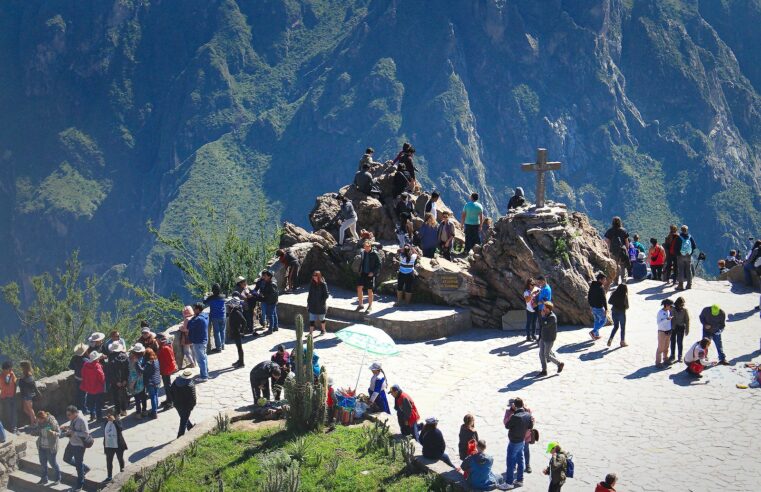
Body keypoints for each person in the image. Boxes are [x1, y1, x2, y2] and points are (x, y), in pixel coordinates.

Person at [504, 397, 533, 488]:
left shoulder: (515, 416)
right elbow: (530, 426)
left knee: (510, 461)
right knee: (520, 460)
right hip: (522, 440)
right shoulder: (527, 414)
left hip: (514, 442)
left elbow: (507, 426)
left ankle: (509, 483)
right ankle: (520, 480)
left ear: (515, 406)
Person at [62, 405, 91, 492]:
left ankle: (80, 483)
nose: (68, 417)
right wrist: (66, 428)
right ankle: (84, 468)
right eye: (67, 415)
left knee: (78, 465)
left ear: (75, 413)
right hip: (72, 443)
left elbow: (86, 434)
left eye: (69, 415)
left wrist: (74, 432)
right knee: (66, 458)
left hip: (79, 445)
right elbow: (73, 427)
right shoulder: (73, 419)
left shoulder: (82, 420)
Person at [33, 410, 61, 486]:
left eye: (40, 419)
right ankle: (44, 479)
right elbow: (38, 431)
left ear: (44, 418)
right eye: (38, 419)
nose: (39, 421)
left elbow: (59, 433)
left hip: (50, 447)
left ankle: (58, 478)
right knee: (43, 464)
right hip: (42, 446)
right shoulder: (39, 423)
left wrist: (53, 432)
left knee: (53, 464)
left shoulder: (52, 422)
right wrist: (35, 430)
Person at [539, 302, 564, 376]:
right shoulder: (546, 315)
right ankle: (544, 370)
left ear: (548, 309)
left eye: (544, 308)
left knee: (546, 355)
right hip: (543, 337)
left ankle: (559, 364)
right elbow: (541, 324)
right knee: (541, 354)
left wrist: (542, 316)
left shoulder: (552, 317)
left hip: (549, 339)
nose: (543, 309)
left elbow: (544, 324)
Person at [171, 368, 197, 438]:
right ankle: (180, 436)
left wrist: (174, 401)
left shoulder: (176, 381)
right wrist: (191, 407)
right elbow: (193, 398)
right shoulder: (190, 385)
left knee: (183, 417)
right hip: (186, 406)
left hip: (177, 404)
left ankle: (190, 427)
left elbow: (171, 392)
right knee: (183, 421)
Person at [356, 241, 381, 313]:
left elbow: (379, 265)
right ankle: (361, 304)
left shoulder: (375, 253)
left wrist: (373, 272)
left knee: (370, 290)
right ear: (364, 247)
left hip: (370, 274)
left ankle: (370, 306)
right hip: (363, 273)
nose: (367, 248)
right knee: (359, 287)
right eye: (365, 247)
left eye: (368, 247)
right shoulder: (362, 252)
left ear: (370, 247)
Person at [603, 217, 630, 285]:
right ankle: (623, 281)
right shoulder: (624, 230)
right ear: (620, 222)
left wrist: (608, 250)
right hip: (622, 250)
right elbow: (627, 242)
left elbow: (606, 241)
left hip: (613, 251)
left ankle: (616, 281)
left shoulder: (610, 231)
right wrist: (627, 249)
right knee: (623, 266)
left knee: (615, 266)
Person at [102, 410, 127, 482]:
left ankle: (122, 473)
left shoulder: (118, 421)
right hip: (109, 445)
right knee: (109, 461)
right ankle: (109, 476)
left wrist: (114, 421)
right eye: (107, 416)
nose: (108, 417)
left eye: (110, 416)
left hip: (118, 445)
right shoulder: (106, 422)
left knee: (120, 459)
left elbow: (120, 429)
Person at [79, 353, 104, 422]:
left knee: (91, 403)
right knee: (98, 403)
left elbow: (83, 375)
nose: (99, 359)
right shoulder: (97, 366)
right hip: (97, 388)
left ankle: (92, 415)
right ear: (96, 359)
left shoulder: (85, 365)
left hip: (89, 388)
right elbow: (101, 377)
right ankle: (99, 418)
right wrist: (102, 384)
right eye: (98, 358)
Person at [188, 302, 209, 382]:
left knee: (200, 359)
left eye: (194, 308)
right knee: (204, 357)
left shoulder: (197, 319)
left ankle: (204, 376)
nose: (193, 310)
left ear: (198, 309)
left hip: (198, 341)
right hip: (204, 340)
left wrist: (192, 317)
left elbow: (188, 325)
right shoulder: (205, 316)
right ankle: (205, 371)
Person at [106, 344, 129, 417]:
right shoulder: (125, 356)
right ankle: (124, 410)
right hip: (124, 380)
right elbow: (127, 369)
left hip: (115, 382)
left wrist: (116, 382)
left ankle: (118, 412)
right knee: (123, 395)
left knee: (116, 397)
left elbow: (111, 372)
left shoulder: (111, 358)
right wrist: (125, 379)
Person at [204, 283, 226, 353]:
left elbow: (204, 302)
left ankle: (218, 348)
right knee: (222, 330)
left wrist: (206, 296)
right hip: (223, 315)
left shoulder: (211, 298)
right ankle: (222, 345)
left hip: (214, 316)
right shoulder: (223, 296)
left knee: (217, 332)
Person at [157, 333, 178, 409]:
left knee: (167, 386)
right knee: (166, 386)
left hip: (166, 369)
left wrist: (170, 369)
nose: (156, 340)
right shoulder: (165, 345)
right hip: (164, 368)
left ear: (159, 339)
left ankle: (171, 402)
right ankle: (168, 399)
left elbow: (170, 359)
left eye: (157, 339)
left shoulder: (164, 348)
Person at [139, 348, 161, 419]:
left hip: (151, 382)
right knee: (156, 395)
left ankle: (154, 413)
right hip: (157, 381)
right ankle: (155, 410)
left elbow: (142, 370)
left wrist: (137, 363)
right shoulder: (156, 360)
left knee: (153, 397)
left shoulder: (148, 363)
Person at [674, 225, 697, 290]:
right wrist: (690, 253)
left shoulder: (678, 237)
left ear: (681, 230)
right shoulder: (690, 237)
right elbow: (694, 246)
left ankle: (680, 285)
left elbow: (676, 248)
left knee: (680, 270)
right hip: (688, 255)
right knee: (688, 270)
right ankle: (689, 285)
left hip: (681, 256)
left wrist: (678, 254)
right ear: (687, 230)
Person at [226, 297, 247, 368]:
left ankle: (242, 363)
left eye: (231, 304)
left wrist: (241, 331)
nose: (229, 305)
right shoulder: (234, 311)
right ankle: (240, 360)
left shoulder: (237, 312)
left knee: (239, 348)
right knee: (238, 347)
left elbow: (244, 322)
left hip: (237, 332)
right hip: (235, 331)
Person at [307, 270, 330, 336]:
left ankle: (323, 330)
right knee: (311, 319)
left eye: (315, 276)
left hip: (321, 305)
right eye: (313, 275)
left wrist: (322, 302)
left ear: (319, 276)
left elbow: (326, 295)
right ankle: (311, 333)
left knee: (322, 319)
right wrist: (308, 303)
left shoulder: (323, 284)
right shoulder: (312, 283)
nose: (314, 277)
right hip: (312, 304)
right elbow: (310, 294)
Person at [587, 272, 608, 340]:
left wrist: (590, 305)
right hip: (599, 307)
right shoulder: (600, 288)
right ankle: (593, 332)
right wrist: (606, 309)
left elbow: (589, 296)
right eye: (604, 279)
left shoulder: (592, 286)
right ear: (600, 280)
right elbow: (603, 299)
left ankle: (595, 335)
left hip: (593, 307)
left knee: (596, 320)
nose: (605, 281)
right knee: (604, 320)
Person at [669, 297, 690, 363]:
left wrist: (687, 329)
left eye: (682, 304)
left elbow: (687, 320)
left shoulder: (684, 310)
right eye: (680, 304)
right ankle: (672, 355)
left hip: (681, 328)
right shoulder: (672, 309)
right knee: (672, 342)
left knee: (680, 342)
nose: (681, 306)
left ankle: (680, 356)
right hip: (673, 328)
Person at [128, 344, 146, 418]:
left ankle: (138, 413)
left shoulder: (131, 359)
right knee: (143, 396)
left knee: (137, 398)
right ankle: (144, 411)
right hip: (141, 380)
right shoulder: (142, 358)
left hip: (133, 381)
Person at [68, 344, 89, 410]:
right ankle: (84, 409)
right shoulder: (86, 360)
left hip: (77, 378)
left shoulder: (74, 358)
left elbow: (70, 367)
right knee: (84, 394)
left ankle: (79, 407)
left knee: (79, 393)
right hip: (84, 379)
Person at [1, 361, 18, 434]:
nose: (11, 370)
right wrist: (10, 376)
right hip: (5, 398)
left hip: (13, 396)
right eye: (9, 369)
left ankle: (14, 429)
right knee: (9, 414)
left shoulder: (11, 374)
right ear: (4, 369)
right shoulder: (1, 377)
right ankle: (11, 429)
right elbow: (6, 383)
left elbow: (15, 382)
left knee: (14, 413)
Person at [656, 299, 673, 368]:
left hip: (668, 331)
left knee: (666, 347)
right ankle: (658, 362)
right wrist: (667, 319)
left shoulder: (668, 311)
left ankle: (665, 359)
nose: (671, 307)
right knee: (660, 348)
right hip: (662, 332)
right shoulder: (660, 312)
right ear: (666, 305)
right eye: (670, 306)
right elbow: (659, 323)